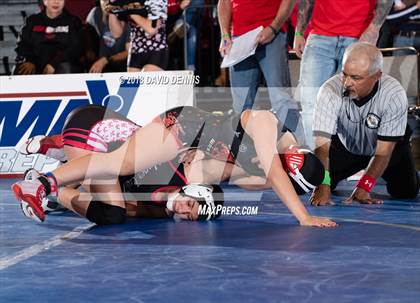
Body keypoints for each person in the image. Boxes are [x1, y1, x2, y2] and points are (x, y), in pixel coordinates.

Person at [12, 105, 337, 228]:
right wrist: (303, 217)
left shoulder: (263, 169)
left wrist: (322, 183)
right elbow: (276, 174)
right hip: (186, 126)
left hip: (185, 149)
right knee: (121, 162)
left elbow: (255, 179)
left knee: (114, 210)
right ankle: (41, 183)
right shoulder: (269, 125)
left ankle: (55, 182)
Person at [19, 105, 224, 224]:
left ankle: (57, 161)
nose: (183, 210)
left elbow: (126, 207)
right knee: (113, 203)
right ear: (195, 189)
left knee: (113, 210)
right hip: (94, 127)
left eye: (189, 216)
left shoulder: (161, 211)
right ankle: (45, 184)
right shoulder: (184, 168)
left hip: (97, 148)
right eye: (190, 205)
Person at [310, 42, 419, 206]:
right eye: (345, 74)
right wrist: (323, 183)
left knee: (406, 192)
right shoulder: (329, 90)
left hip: (385, 150)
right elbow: (322, 147)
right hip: (347, 147)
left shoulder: (394, 94)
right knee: (317, 181)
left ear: (377, 76)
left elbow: (383, 152)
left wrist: (364, 185)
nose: (347, 83)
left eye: (356, 78)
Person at [293, 0, 394, 147]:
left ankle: (349, 161)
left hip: (358, 36)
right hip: (320, 36)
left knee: (354, 105)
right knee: (310, 103)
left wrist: (374, 28)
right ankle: (317, 162)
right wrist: (299, 31)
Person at [217, 0, 305, 143]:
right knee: (242, 106)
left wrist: (273, 28)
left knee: (281, 99)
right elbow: (224, 2)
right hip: (240, 39)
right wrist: (225, 35)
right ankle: (251, 154)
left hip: (271, 34)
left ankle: (302, 149)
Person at [14, 0, 83, 75]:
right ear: (45, 2)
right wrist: (29, 60)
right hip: (36, 63)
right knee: (21, 69)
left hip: (62, 63)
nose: (56, 2)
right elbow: (23, 44)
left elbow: (76, 48)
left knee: (65, 68)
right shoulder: (32, 21)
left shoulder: (73, 21)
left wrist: (54, 64)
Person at [107, 0, 169, 72]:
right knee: (132, 83)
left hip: (156, 49)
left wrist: (130, 10)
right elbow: (117, 34)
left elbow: (152, 29)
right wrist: (112, 9)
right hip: (135, 51)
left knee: (146, 81)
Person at [86, 0, 131, 73]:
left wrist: (106, 60)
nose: (107, 3)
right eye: (104, 0)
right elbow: (86, 31)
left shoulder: (128, 18)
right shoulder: (96, 13)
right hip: (101, 67)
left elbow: (128, 52)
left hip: (122, 66)